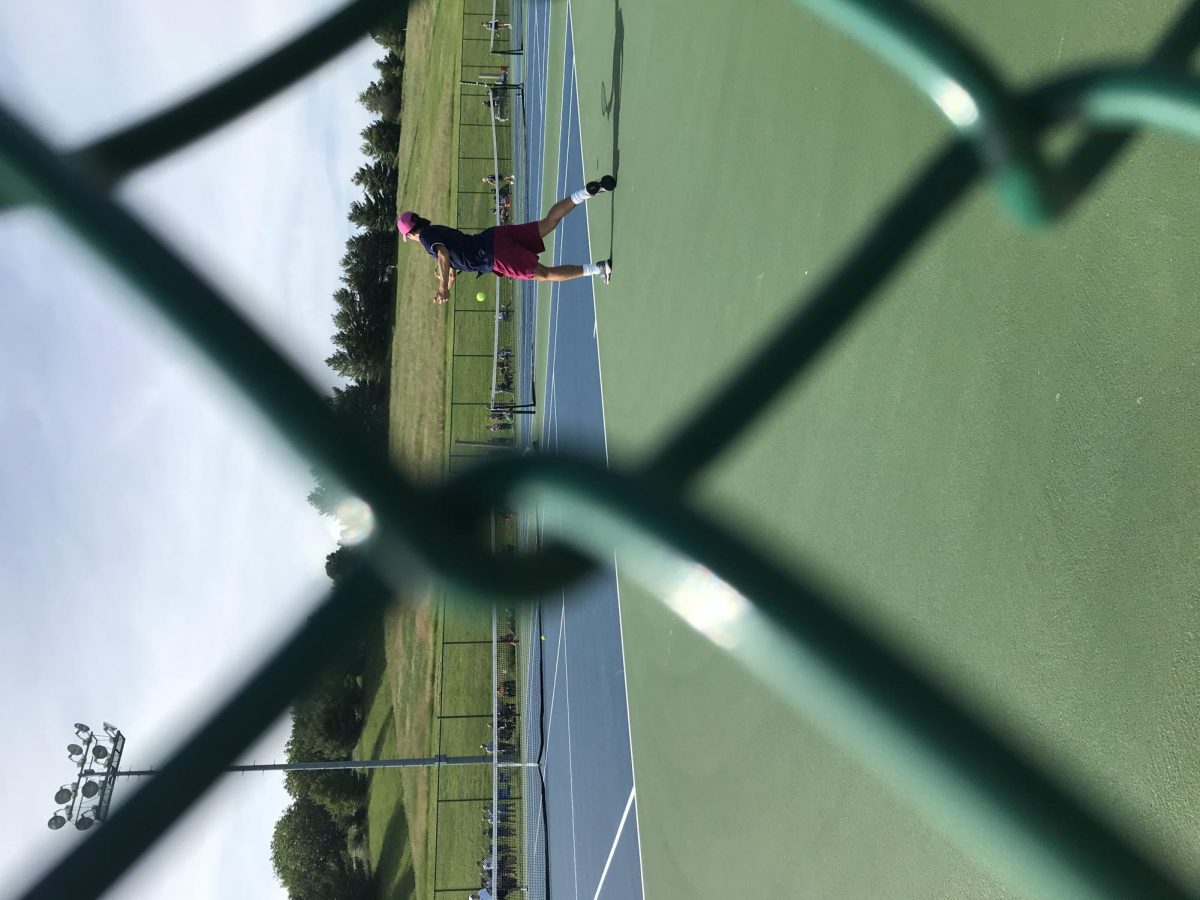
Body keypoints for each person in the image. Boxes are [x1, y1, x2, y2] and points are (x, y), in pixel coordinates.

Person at [397, 175, 615, 304]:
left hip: (494, 256)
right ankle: (586, 192)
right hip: (495, 236)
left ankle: (599, 268)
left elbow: (443, 255)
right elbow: (450, 266)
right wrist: (446, 284)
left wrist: (443, 286)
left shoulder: (426, 238)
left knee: (545, 274)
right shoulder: (433, 231)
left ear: (410, 234)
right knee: (548, 223)